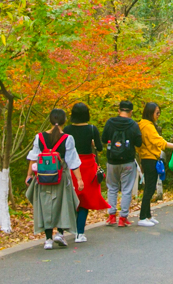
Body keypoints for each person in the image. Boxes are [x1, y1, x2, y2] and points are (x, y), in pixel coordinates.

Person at [25, 109, 83, 249]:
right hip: (60, 177)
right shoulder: (67, 139)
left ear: (50, 120)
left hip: (43, 178)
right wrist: (79, 180)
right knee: (63, 203)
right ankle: (60, 233)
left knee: (45, 205)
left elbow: (33, 158)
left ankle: (48, 239)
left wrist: (29, 175)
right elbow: (73, 161)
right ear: (64, 121)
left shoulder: (39, 137)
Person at [64, 102, 110, 242]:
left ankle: (68, 229)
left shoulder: (67, 130)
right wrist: (92, 144)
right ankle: (80, 232)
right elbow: (100, 148)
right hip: (88, 166)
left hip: (72, 165)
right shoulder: (91, 129)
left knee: (72, 198)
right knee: (84, 200)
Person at [102, 100, 143, 228]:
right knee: (126, 189)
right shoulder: (133, 125)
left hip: (112, 161)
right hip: (128, 161)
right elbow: (139, 143)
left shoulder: (110, 122)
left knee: (112, 187)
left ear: (119, 110)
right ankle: (123, 218)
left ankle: (112, 216)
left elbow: (103, 139)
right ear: (131, 112)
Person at [137, 102, 173, 227]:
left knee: (150, 187)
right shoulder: (147, 126)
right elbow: (159, 142)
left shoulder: (144, 124)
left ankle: (148, 215)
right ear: (150, 112)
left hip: (148, 158)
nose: (158, 115)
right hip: (150, 158)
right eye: (157, 113)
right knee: (149, 188)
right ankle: (142, 217)